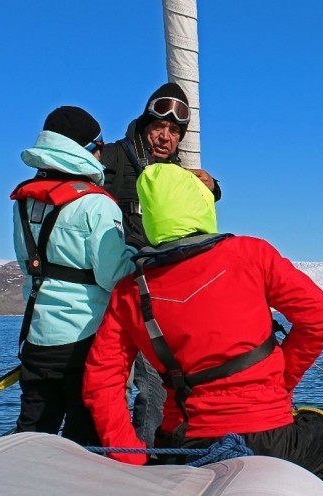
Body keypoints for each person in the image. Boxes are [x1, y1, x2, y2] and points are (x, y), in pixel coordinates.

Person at [83, 163, 323, 491]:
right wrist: (282, 381)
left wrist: (132, 457)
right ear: (201, 203)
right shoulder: (251, 254)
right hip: (270, 435)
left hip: (186, 443)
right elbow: (321, 317)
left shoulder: (130, 291)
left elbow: (102, 380)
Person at [99, 82, 221, 447]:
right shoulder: (114, 157)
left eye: (173, 131)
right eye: (157, 127)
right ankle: (114, 454)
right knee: (111, 384)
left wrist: (213, 186)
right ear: (144, 126)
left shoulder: (179, 173)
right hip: (115, 291)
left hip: (157, 295)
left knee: (155, 385)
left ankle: (147, 454)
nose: (165, 137)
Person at [11, 106, 135, 445]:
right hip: (85, 339)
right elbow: (114, 276)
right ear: (85, 149)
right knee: (86, 440)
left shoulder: (23, 201)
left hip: (36, 338)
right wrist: (137, 260)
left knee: (32, 436)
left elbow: (26, 263)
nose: (102, 154)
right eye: (100, 146)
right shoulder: (98, 204)